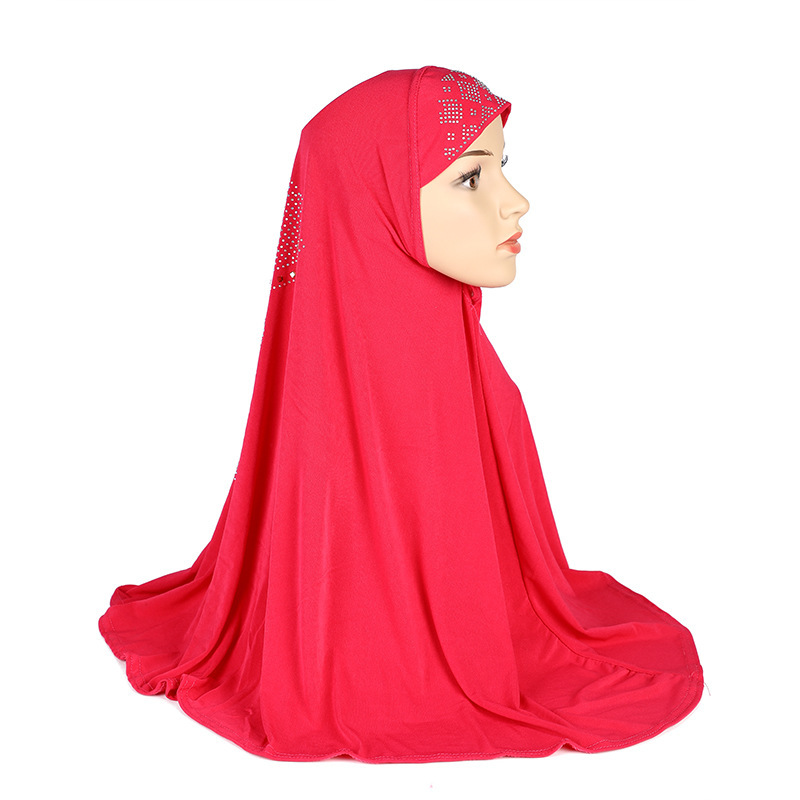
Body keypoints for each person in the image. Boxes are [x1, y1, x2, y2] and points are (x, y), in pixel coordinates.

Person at [98, 66, 703, 763]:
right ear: (371, 199)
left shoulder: (461, 358)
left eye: (501, 168)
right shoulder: (331, 404)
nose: (516, 202)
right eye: (470, 177)